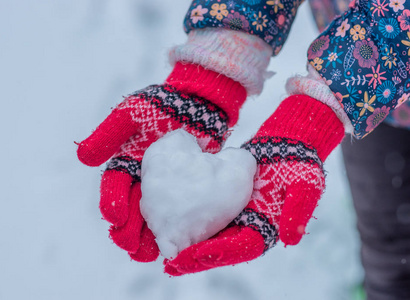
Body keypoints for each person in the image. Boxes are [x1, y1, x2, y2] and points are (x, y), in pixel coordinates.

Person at [77, 0, 410, 298]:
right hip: (377, 104)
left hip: (367, 90)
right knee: (391, 244)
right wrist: (223, 49)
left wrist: (335, 93)